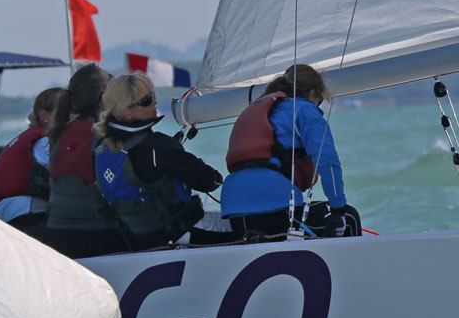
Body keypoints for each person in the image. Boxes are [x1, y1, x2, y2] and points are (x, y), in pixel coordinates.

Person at [221, 64, 357, 238]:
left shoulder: (253, 110)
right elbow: (328, 163)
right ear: (312, 94)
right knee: (350, 218)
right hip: (277, 210)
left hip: (235, 212)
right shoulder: (304, 109)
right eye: (320, 100)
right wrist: (338, 210)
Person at [94, 73, 225, 251]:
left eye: (153, 95)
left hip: (139, 239)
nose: (155, 102)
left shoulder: (102, 147)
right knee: (246, 230)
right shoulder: (157, 145)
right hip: (180, 233)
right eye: (147, 100)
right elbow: (211, 181)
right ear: (125, 112)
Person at [42, 63, 126, 259]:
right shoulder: (104, 137)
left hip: (54, 233)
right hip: (93, 236)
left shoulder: (58, 133)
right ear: (104, 98)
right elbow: (120, 192)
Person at [0, 85, 64, 235]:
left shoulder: (29, 137)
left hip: (3, 212)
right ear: (44, 116)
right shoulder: (42, 142)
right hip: (21, 215)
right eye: (63, 112)